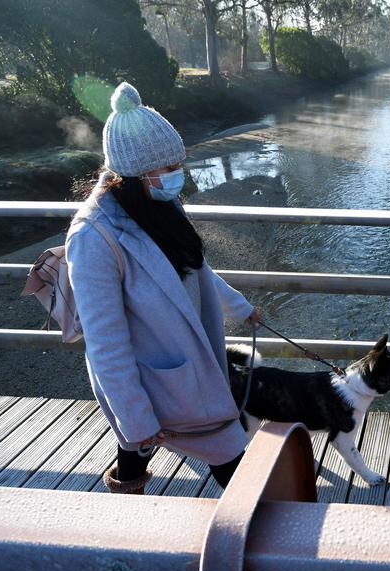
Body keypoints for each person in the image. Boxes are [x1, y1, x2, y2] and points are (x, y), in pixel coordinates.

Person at [66, 82, 259, 495]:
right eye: (167, 168)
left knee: (133, 451)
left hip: (181, 367)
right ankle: (265, 537)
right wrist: (137, 419)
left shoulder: (159, 203)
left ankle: (127, 492)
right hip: (155, 377)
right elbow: (105, 343)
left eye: (177, 164)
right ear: (133, 173)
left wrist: (241, 308)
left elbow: (195, 268)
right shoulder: (93, 238)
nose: (177, 176)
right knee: (229, 456)